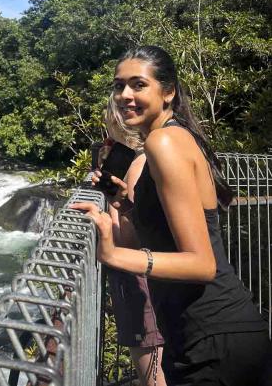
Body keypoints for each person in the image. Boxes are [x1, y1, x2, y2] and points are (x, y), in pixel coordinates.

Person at [72, 45, 271, 386]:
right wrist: (123, 202)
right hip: (206, 334)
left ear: (168, 92)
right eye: (118, 86)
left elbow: (201, 264)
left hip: (213, 338)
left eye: (138, 84)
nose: (124, 95)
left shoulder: (163, 143)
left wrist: (114, 254)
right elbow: (170, 231)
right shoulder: (172, 138)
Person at [98, 96, 167, 386]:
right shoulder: (137, 161)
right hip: (140, 278)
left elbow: (135, 237)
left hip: (139, 283)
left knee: (152, 374)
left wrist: (107, 217)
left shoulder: (136, 165)